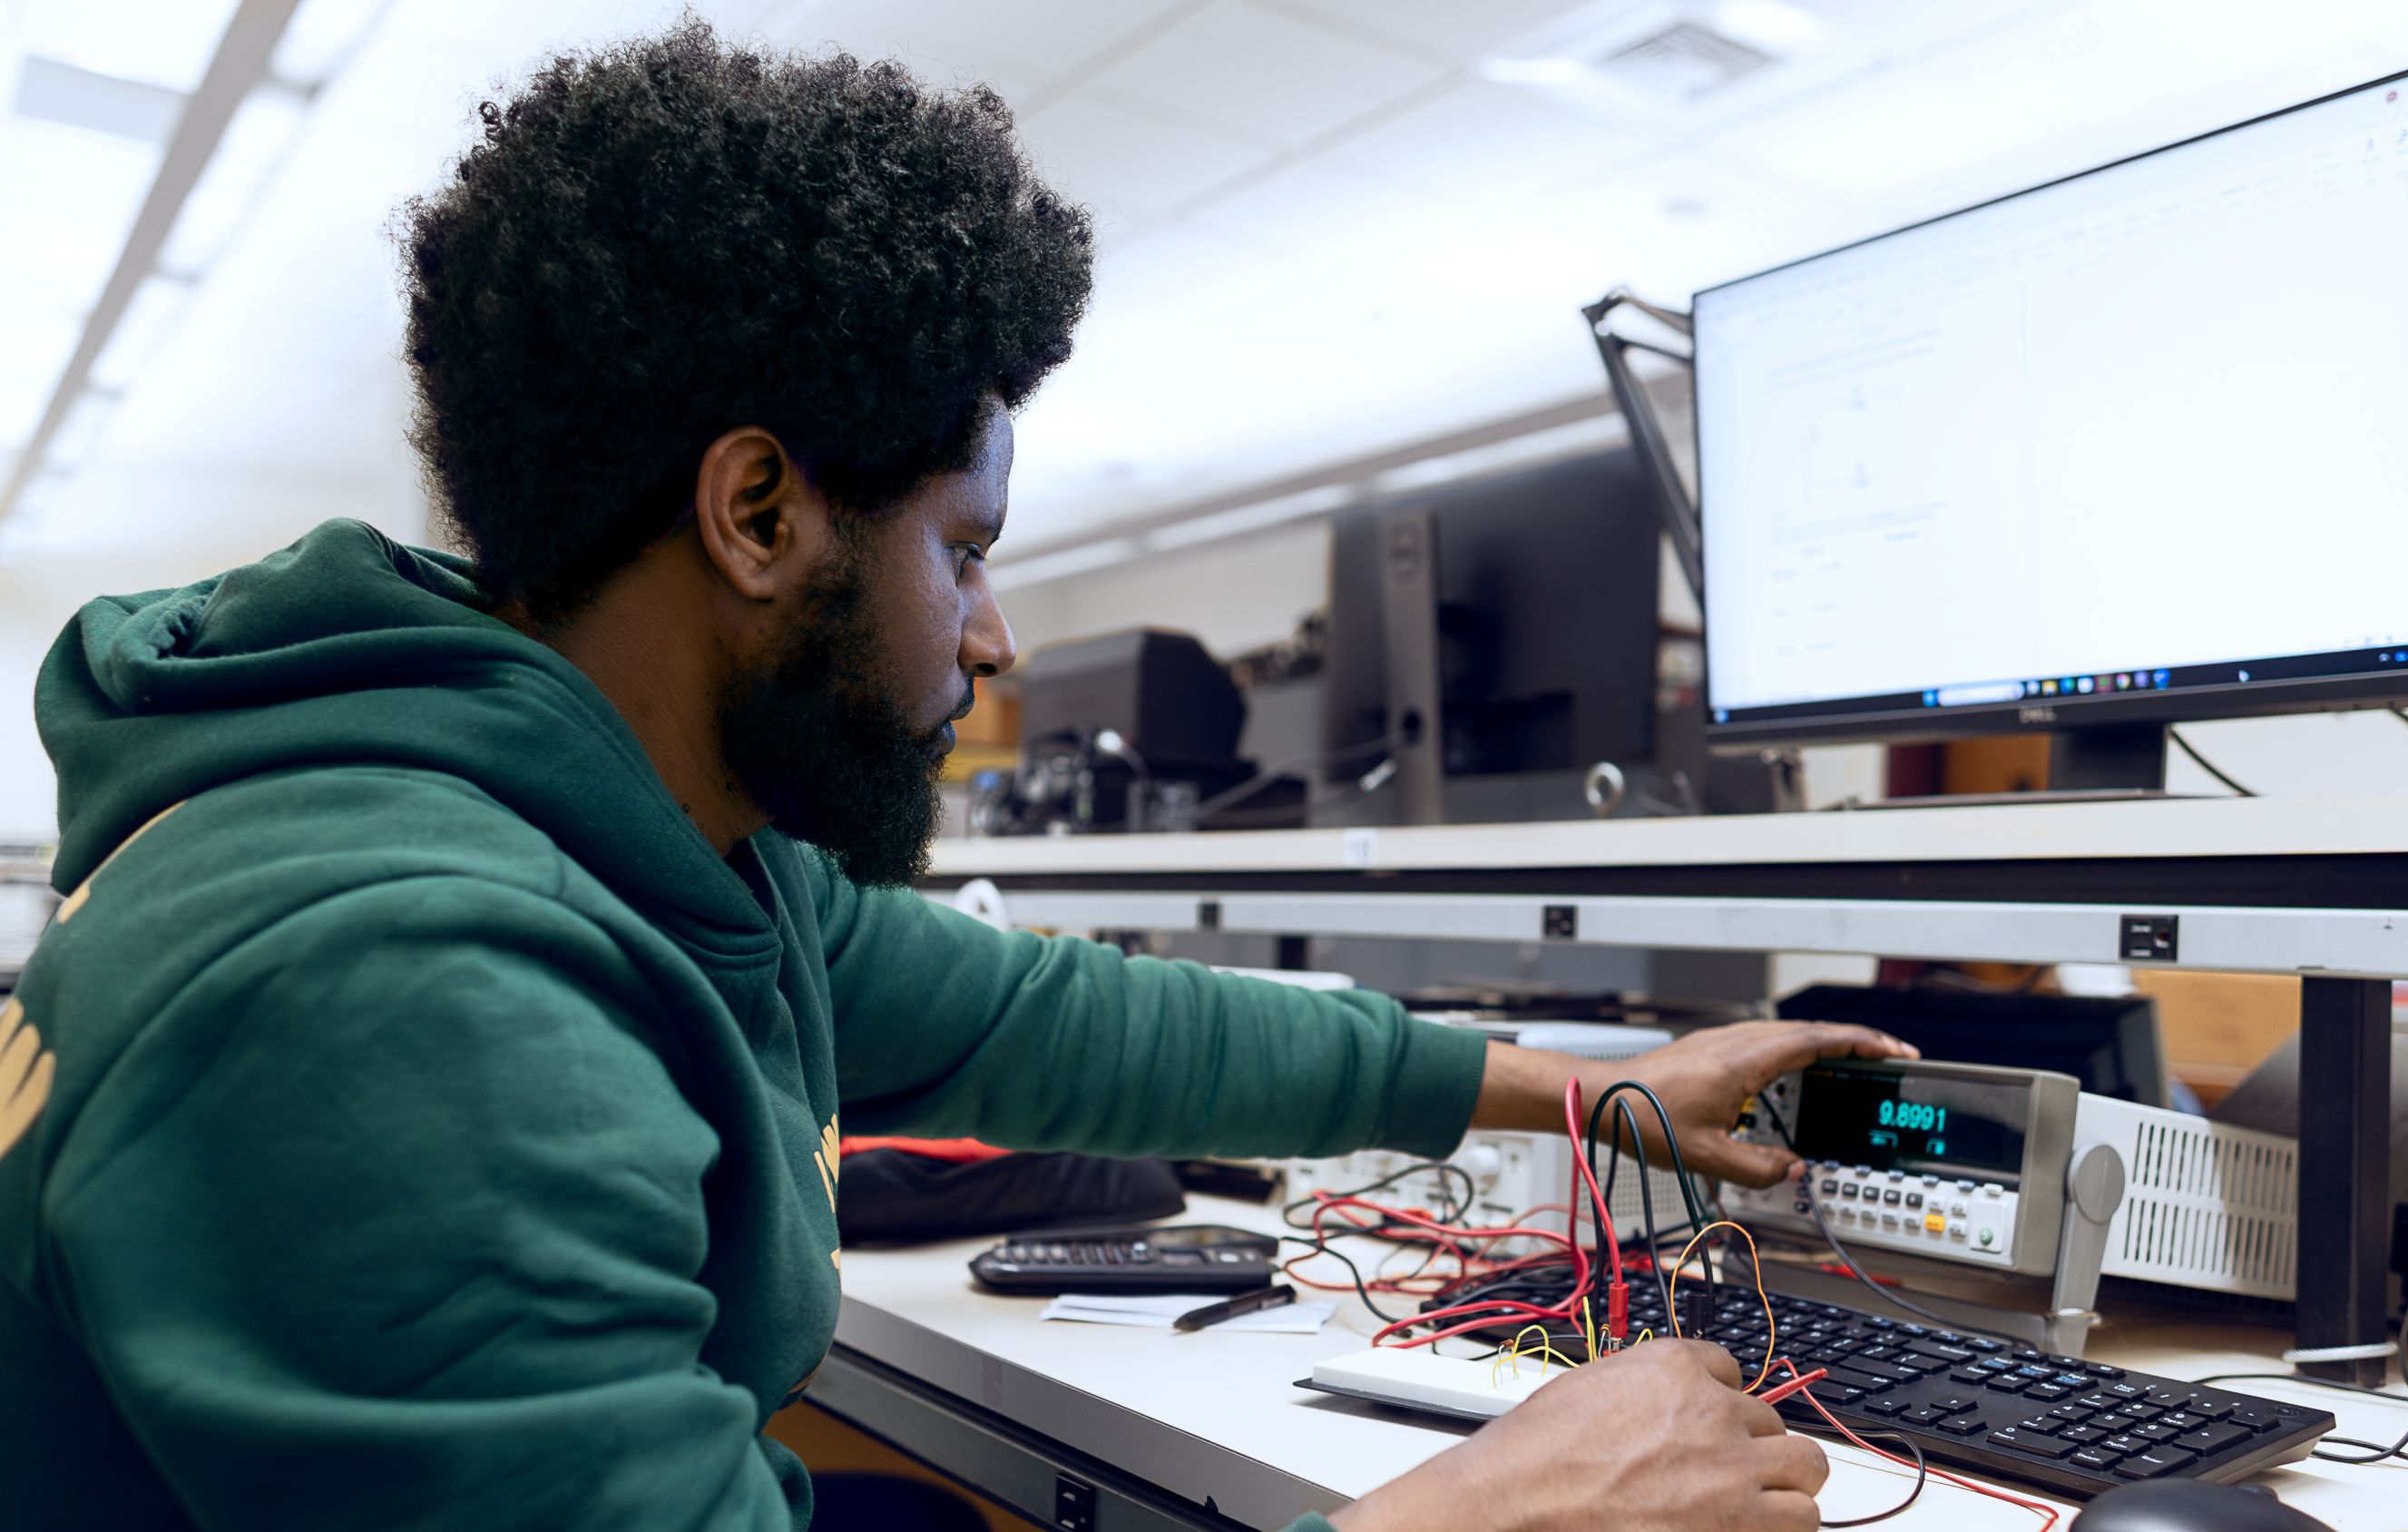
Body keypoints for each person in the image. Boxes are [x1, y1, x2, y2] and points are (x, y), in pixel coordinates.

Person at [0, 22, 1914, 1531]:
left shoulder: (618, 826)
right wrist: (1479, 1512)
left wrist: (1591, 1094)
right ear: (759, 511)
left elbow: (1065, 1019)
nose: (990, 640)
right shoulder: (406, 986)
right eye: (966, 547)